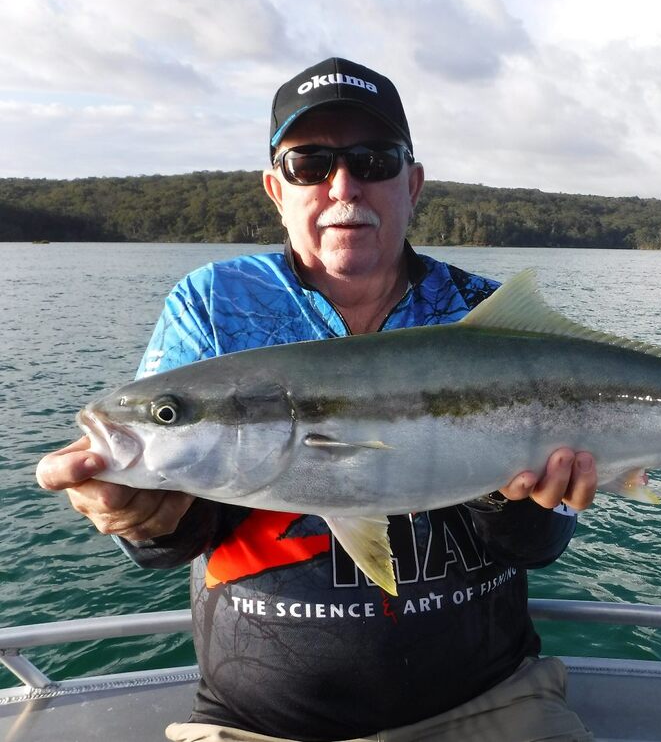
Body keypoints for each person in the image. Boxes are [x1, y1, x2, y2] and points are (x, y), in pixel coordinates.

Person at [36, 57, 597, 742]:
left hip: (494, 703)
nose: (344, 185)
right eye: (310, 164)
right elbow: (174, 533)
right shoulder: (212, 306)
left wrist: (523, 507)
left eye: (373, 160)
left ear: (412, 184)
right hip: (257, 724)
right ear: (276, 189)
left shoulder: (482, 314)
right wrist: (143, 519)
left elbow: (541, 545)